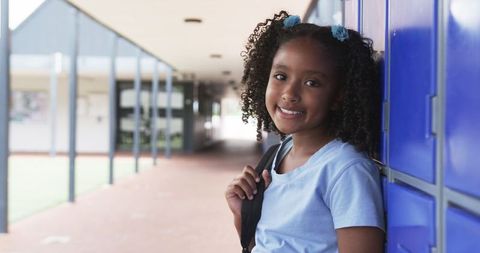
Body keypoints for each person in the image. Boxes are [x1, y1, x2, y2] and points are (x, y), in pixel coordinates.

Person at [224, 11, 385, 253]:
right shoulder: (278, 155)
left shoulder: (345, 170)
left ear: (338, 95)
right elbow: (263, 245)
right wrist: (242, 213)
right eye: (281, 76)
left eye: (312, 83)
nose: (289, 93)